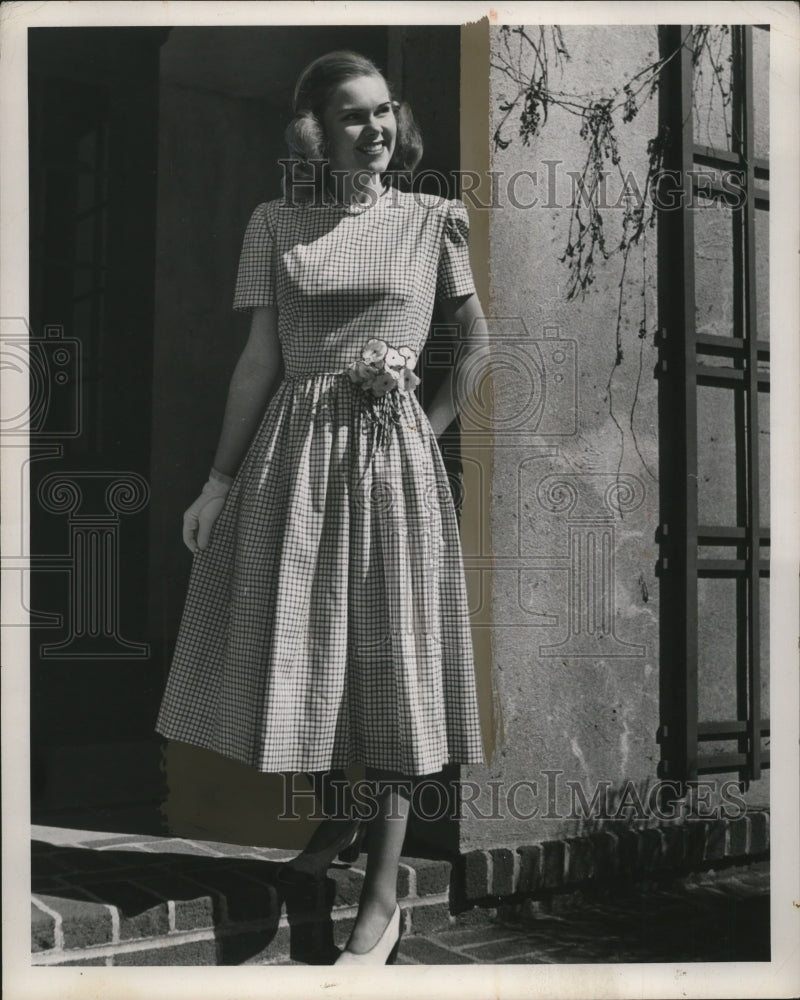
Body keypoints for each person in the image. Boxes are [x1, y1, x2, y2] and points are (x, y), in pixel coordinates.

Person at [155, 49, 488, 966]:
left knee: (387, 671)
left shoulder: (431, 219)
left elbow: (474, 344)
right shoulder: (276, 221)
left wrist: (424, 427)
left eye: (385, 111)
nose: (376, 129)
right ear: (315, 131)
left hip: (390, 467)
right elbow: (260, 359)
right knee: (313, 654)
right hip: (295, 462)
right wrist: (218, 482)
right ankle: (333, 835)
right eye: (353, 115)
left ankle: (380, 904)